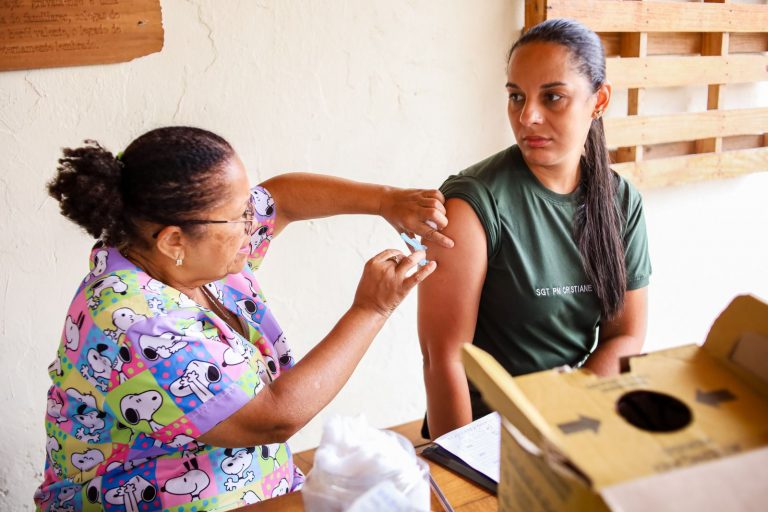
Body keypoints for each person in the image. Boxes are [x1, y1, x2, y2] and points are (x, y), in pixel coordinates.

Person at [35, 126, 453, 511]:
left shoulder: (185, 256)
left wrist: (385, 200)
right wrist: (372, 309)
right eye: (238, 216)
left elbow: (281, 199)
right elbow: (271, 418)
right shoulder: (138, 324)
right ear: (174, 240)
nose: (254, 222)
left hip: (255, 487)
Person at [418, 18, 651, 439]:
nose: (528, 116)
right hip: (486, 435)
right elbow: (444, 359)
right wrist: (460, 463)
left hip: (575, 421)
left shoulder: (621, 201)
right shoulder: (472, 203)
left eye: (553, 97)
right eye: (516, 97)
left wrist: (565, 417)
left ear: (599, 101)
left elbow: (626, 335)